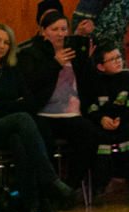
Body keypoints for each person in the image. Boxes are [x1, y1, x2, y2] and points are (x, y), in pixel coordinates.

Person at [0, 24, 75, 212]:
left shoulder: (12, 72)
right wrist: (12, 107)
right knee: (21, 119)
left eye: (6, 42)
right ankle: (50, 179)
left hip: (11, 131)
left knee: (19, 141)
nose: (1, 46)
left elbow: (29, 103)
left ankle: (31, 209)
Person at [17, 8, 103, 199]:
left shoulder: (74, 51)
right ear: (43, 31)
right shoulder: (31, 54)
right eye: (55, 29)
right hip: (44, 113)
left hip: (72, 114)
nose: (61, 34)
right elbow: (30, 83)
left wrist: (87, 62)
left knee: (90, 134)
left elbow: (90, 86)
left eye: (64, 29)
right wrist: (55, 64)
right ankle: (48, 190)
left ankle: (69, 187)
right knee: (41, 140)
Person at [87, 42, 129, 185]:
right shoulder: (95, 83)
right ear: (100, 66)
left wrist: (120, 119)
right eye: (112, 59)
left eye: (119, 57)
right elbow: (91, 107)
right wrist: (101, 119)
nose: (118, 61)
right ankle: (101, 183)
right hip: (103, 123)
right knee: (98, 136)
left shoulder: (127, 78)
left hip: (124, 121)